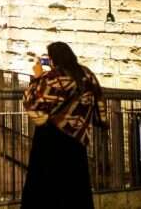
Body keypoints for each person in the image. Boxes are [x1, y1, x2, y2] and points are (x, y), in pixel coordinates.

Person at [20, 42, 107, 209]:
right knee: (76, 187)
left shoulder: (53, 77)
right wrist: (101, 121)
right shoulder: (87, 74)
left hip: (51, 137)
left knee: (43, 185)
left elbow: (33, 102)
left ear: (53, 59)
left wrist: (37, 78)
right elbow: (99, 101)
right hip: (77, 138)